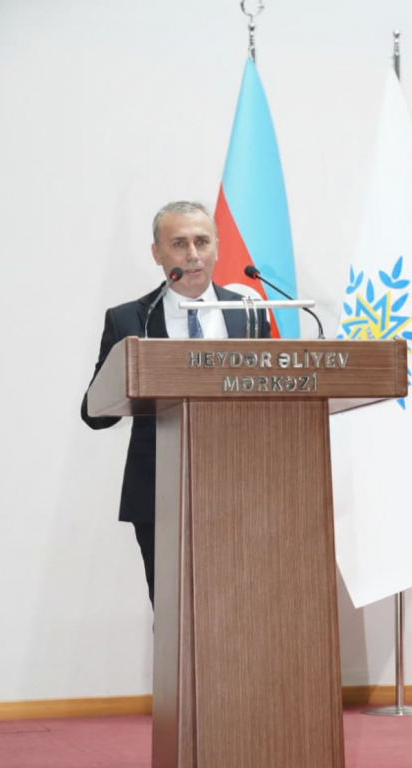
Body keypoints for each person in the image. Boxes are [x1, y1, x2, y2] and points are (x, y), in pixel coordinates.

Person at [81, 201, 271, 605]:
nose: (193, 255)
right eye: (179, 244)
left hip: (242, 489)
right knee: (174, 610)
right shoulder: (129, 319)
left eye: (202, 242)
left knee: (244, 608)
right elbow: (94, 413)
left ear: (217, 246)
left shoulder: (250, 315)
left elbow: (272, 398)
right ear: (157, 254)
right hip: (158, 493)